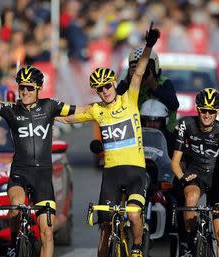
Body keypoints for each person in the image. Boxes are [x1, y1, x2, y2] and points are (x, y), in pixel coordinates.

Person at [56, 24, 160, 257]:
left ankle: (136, 248)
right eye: (99, 89)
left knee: (133, 214)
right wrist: (44, 112)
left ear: (114, 83)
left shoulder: (129, 99)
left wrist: (148, 46)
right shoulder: (96, 109)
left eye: (107, 86)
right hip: (111, 173)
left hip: (135, 171)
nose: (105, 91)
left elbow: (140, 72)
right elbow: (69, 116)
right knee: (105, 223)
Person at [0, 49, 87, 257]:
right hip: (20, 173)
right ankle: (13, 242)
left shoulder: (50, 106)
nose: (25, 92)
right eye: (21, 88)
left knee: (47, 233)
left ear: (38, 89)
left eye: (29, 88)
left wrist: (104, 108)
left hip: (43, 177)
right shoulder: (12, 110)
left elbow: (79, 111)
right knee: (16, 208)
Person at [170, 88, 219, 257]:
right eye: (203, 110)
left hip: (217, 177)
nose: (207, 115)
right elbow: (175, 162)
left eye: (211, 111)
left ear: (217, 112)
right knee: (190, 198)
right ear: (198, 109)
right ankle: (190, 244)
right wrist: (182, 178)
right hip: (196, 173)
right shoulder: (186, 124)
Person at [117, 47, 179, 141]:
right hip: (137, 136)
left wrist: (153, 85)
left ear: (154, 67)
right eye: (137, 68)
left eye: (144, 68)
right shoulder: (130, 86)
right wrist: (128, 79)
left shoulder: (164, 83)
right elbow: (115, 103)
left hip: (165, 138)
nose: (141, 72)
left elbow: (174, 104)